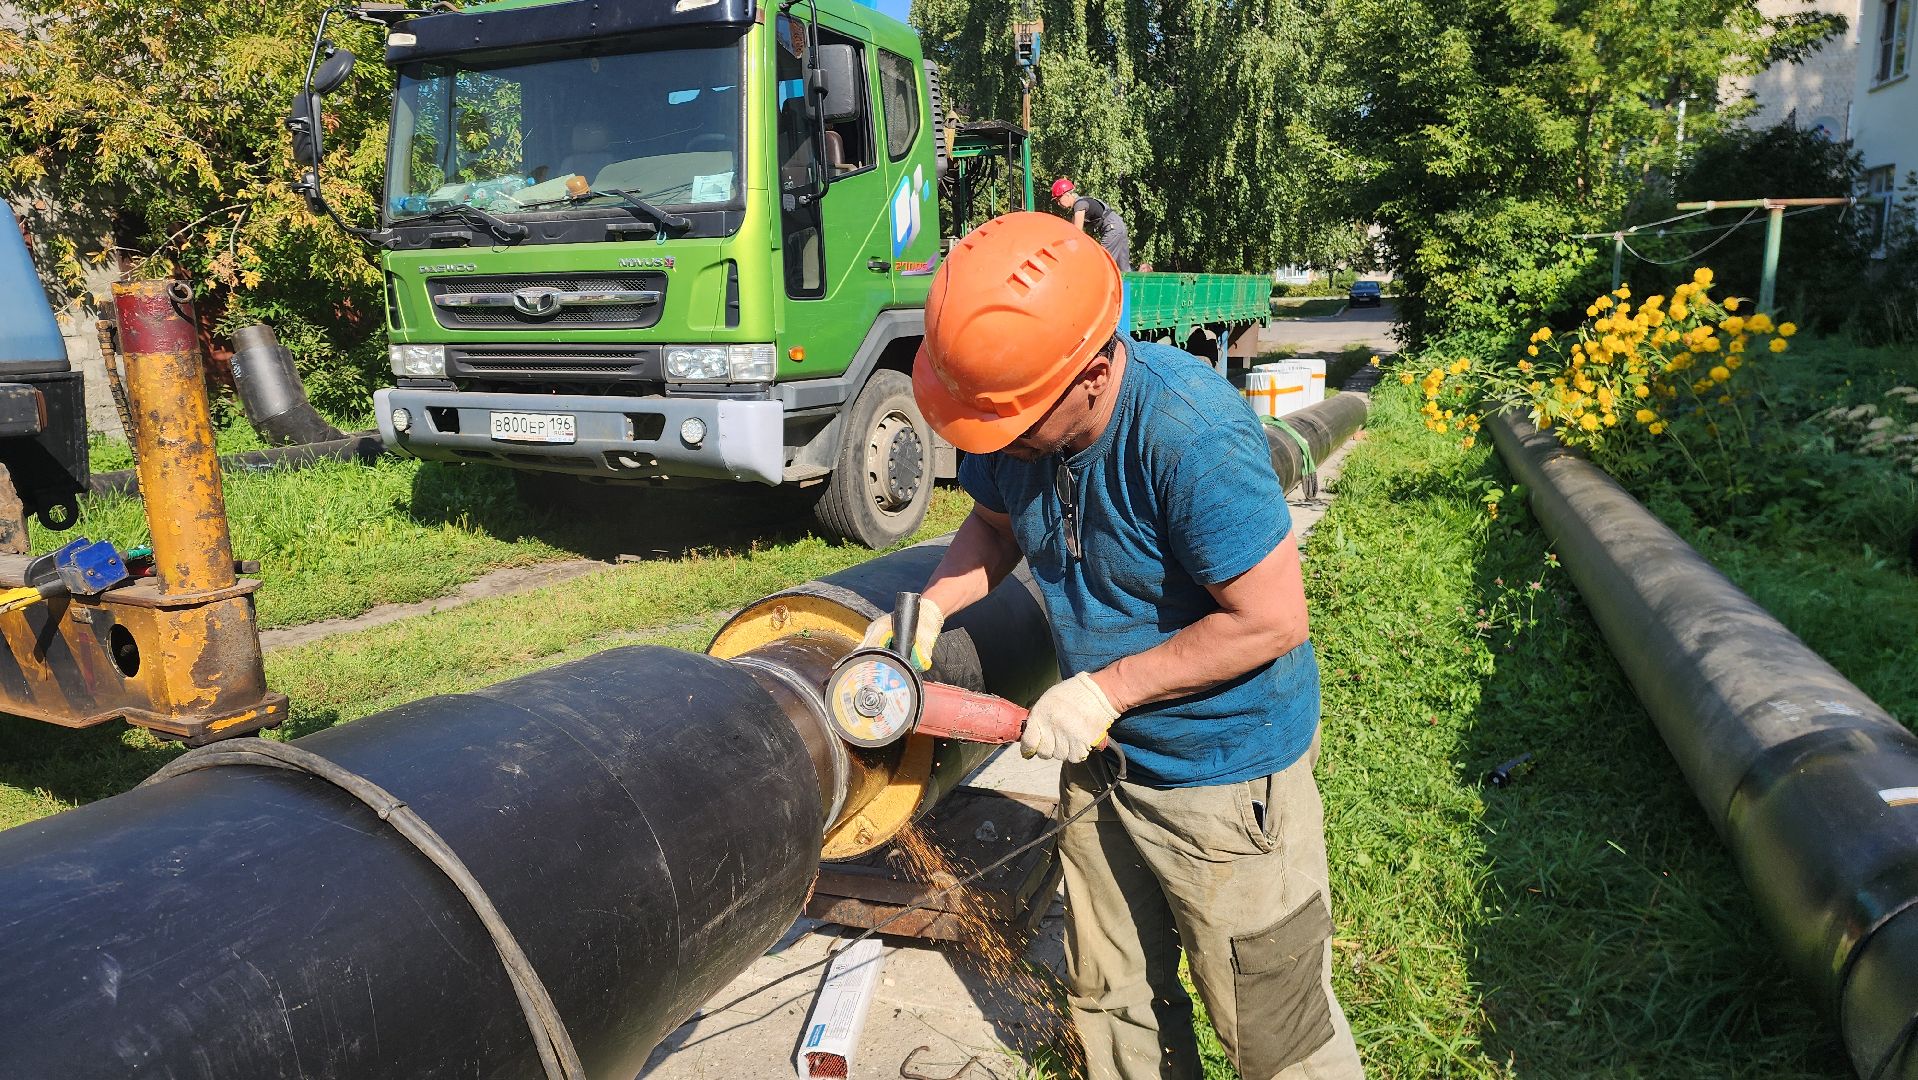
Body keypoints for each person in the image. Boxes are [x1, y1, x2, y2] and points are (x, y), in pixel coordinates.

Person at [862, 212, 1363, 1080]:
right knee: (1111, 997)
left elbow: (1272, 619)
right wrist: (934, 607)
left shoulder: (1189, 433)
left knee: (1269, 1023)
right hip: (1101, 763)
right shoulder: (1017, 412)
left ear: (1094, 375)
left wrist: (1106, 689)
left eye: (1012, 425)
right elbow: (993, 524)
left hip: (1223, 773)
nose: (998, 443)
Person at [1051, 177, 1132, 272]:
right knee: (1123, 269)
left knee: (1101, 263)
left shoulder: (1079, 205)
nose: (1058, 203)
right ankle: (1131, 282)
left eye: (1059, 199)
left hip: (1112, 228)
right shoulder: (1081, 203)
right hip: (1118, 225)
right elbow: (1072, 232)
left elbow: (1076, 233)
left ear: (1067, 194)